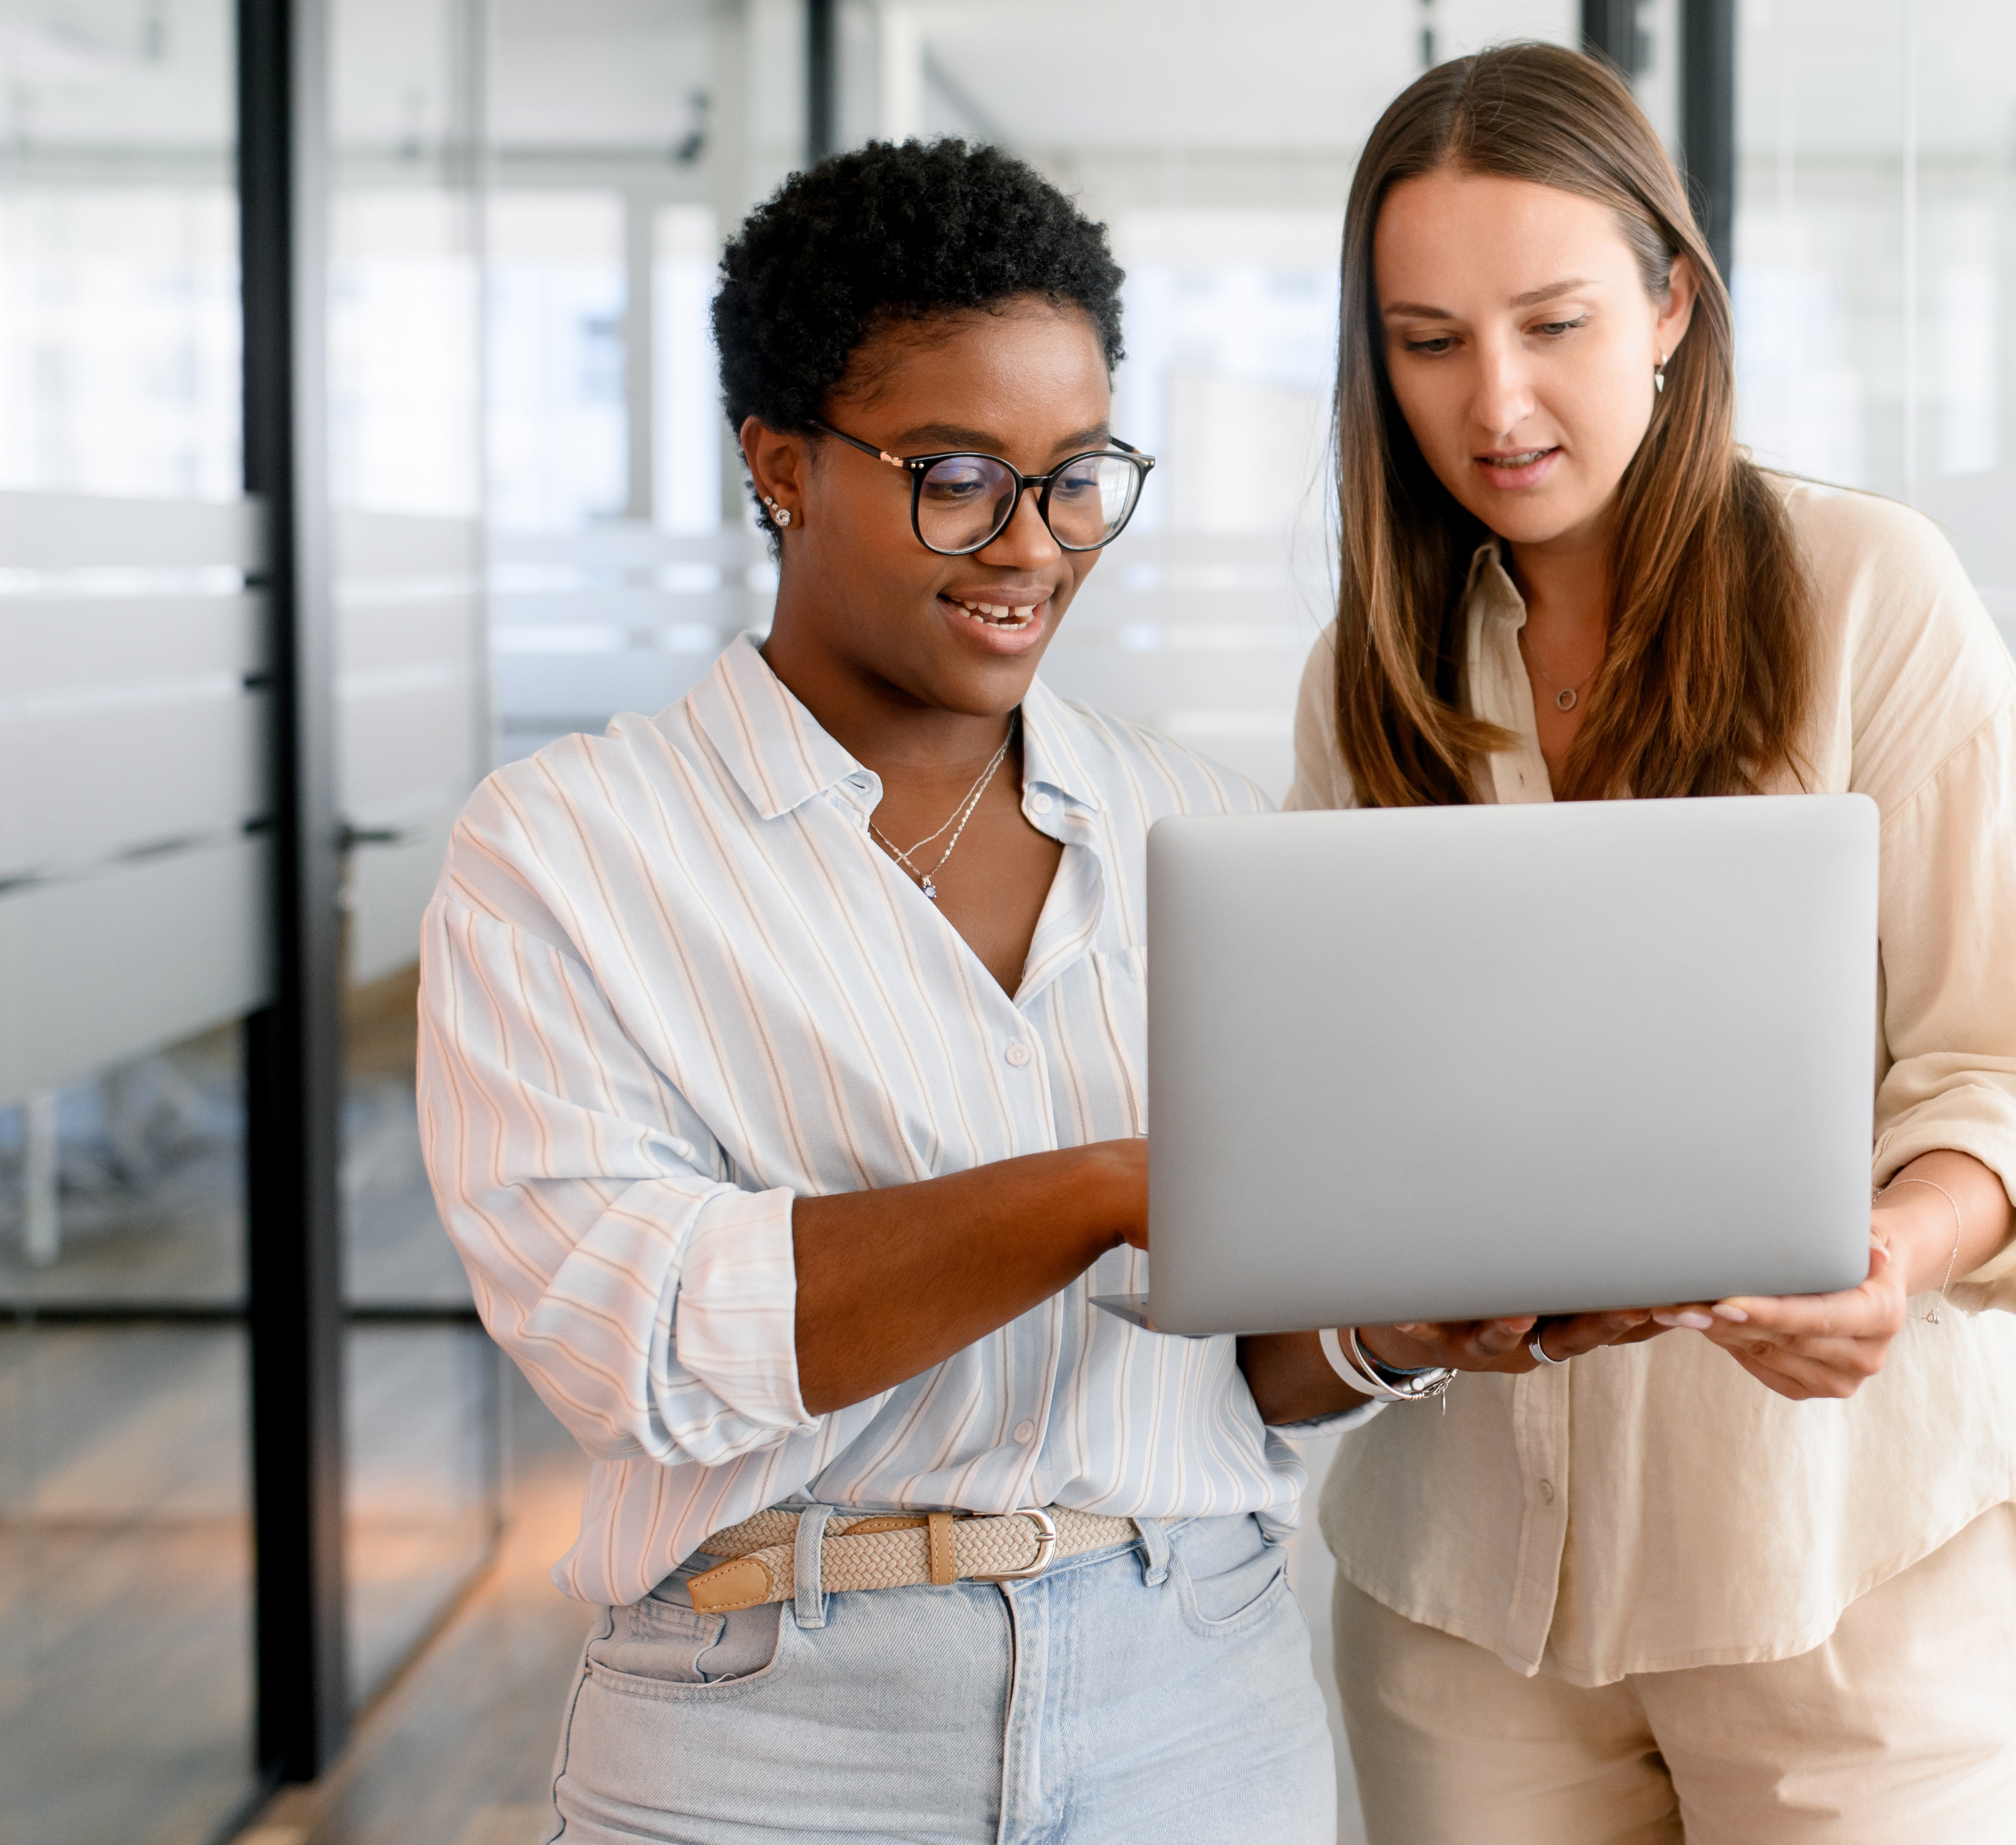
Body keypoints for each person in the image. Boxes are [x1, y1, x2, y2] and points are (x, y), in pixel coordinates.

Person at [415, 139, 1349, 1845]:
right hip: (770, 1732)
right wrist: (1104, 1187)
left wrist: (1405, 1320)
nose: (1034, 545)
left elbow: (1264, 1356)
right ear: (777, 464)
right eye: (959, 474)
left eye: (1079, 476)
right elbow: (639, 1347)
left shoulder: (1200, 829)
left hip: (1197, 1700)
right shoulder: (564, 854)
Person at [1290, 43, 2016, 1845]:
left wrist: (1894, 1253)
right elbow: (1349, 1105)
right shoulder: (1377, 673)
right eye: (1427, 344)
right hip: (1467, 1604)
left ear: (1671, 303)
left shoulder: (1869, 594)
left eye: (1555, 324)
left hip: (1848, 1584)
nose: (1494, 403)